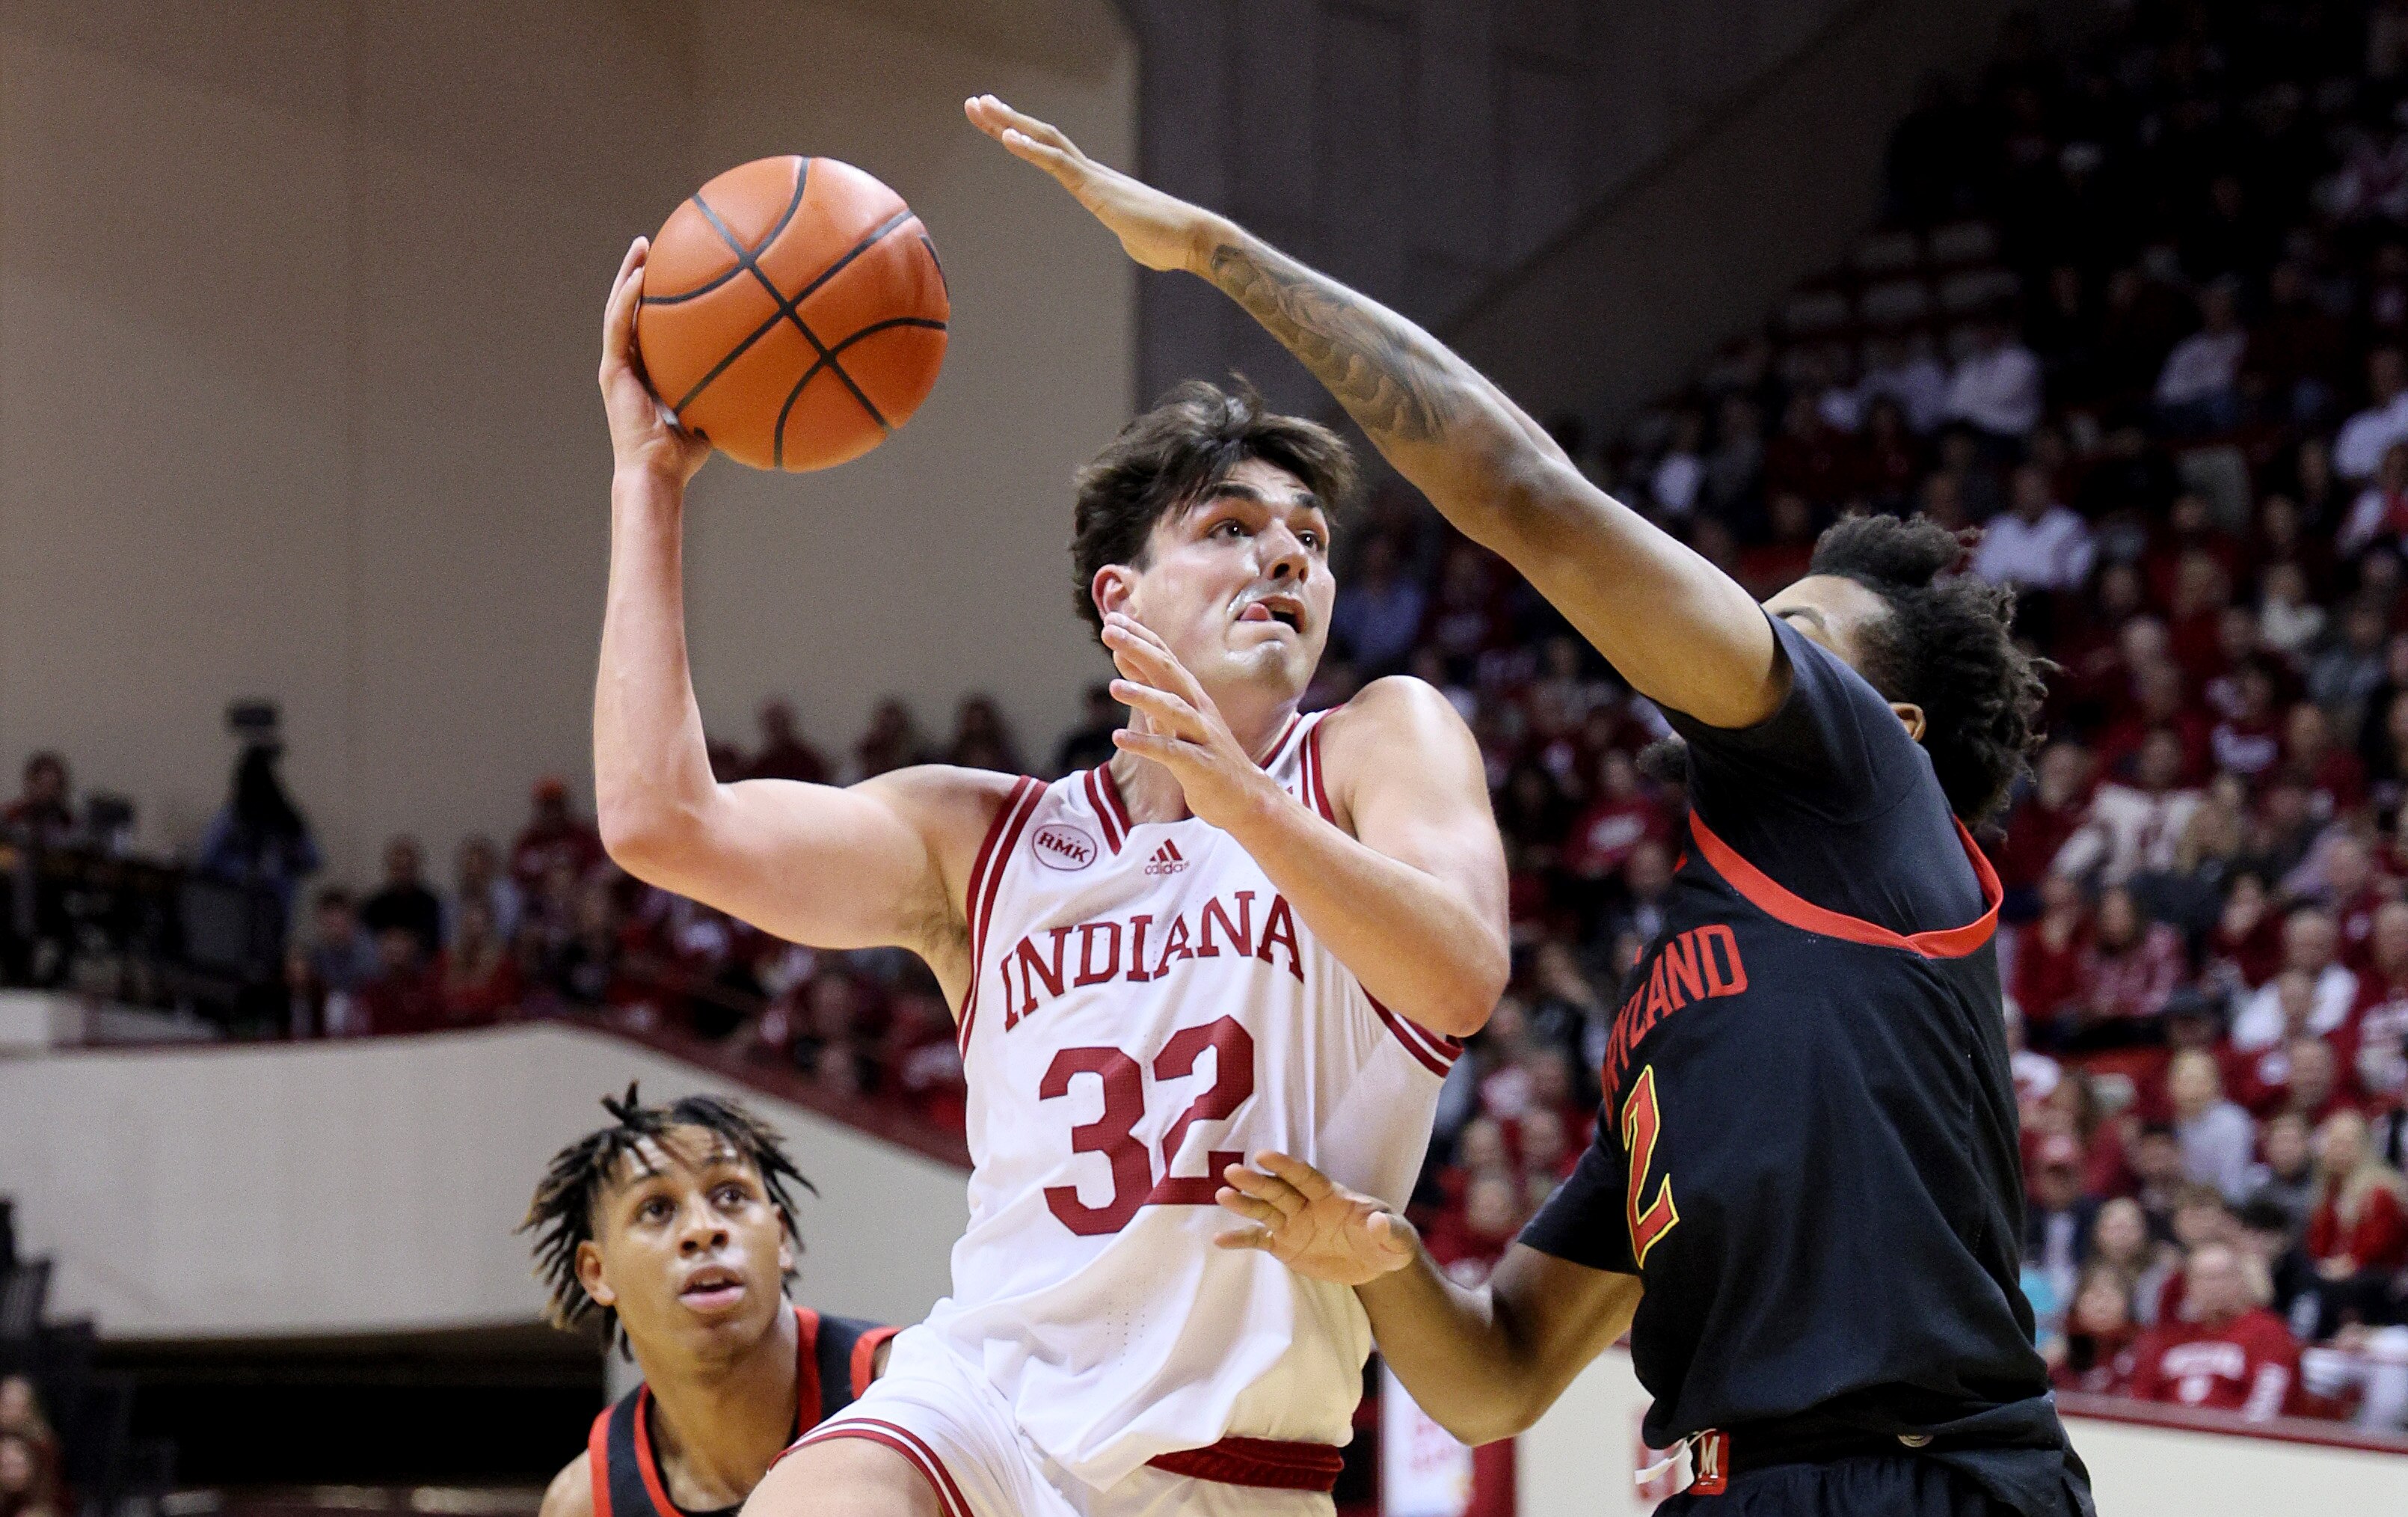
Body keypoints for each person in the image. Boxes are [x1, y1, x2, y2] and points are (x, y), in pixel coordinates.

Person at [964, 93, 2088, 1516]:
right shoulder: (1682, 991)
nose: (1744, 632)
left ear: (1894, 731)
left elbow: (1514, 486)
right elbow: (1493, 1379)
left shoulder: (1870, 804)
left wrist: (1214, 252)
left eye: (1794, 633)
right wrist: (1382, 1258)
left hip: (1913, 1478)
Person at [595, 162, 1509, 1517]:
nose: (1288, 559)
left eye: (1310, 541)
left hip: (1238, 1454)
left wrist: (1244, 803)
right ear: (1120, 594)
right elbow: (663, 823)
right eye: (1232, 527)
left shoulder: (1375, 742)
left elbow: (1459, 977)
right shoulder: (985, 839)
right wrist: (650, 480)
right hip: (985, 1404)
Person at [529, 1088, 893, 1517]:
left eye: (731, 1196)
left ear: (781, 1237)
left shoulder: (904, 1389)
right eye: (657, 1208)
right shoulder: (586, 1502)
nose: (703, 1229)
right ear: (597, 1272)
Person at [2128, 1242, 2299, 1421]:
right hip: (2168, 1440)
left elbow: (2268, 1402)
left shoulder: (2269, 1333)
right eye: (2203, 1278)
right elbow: (2142, 1400)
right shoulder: (2170, 1337)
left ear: (2240, 1281)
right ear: (2189, 1287)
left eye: (2222, 1277)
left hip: (2236, 1441)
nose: (2213, 1287)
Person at [361, 834, 444, 958]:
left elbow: (434, 943)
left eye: (408, 868)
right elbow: (367, 943)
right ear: (390, 868)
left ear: (416, 868)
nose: (403, 874)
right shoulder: (374, 905)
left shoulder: (430, 903)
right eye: (398, 868)